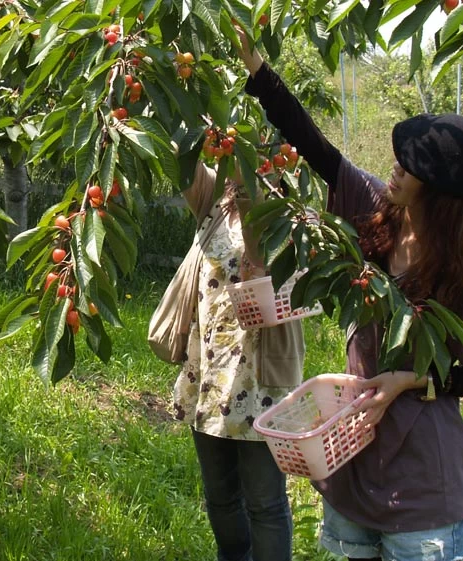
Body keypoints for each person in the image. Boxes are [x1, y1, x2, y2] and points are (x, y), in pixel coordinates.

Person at [236, 34, 463, 561]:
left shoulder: (461, 275)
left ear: (442, 193)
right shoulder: (377, 215)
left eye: (413, 166)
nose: (396, 167)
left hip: (422, 487)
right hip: (355, 459)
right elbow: (314, 146)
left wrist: (411, 380)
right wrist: (256, 65)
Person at [171, 160, 307, 561]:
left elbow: (256, 227)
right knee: (220, 496)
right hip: (210, 375)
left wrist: (247, 162)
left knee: (264, 501)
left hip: (260, 379)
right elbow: (181, 159)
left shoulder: (292, 223)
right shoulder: (213, 204)